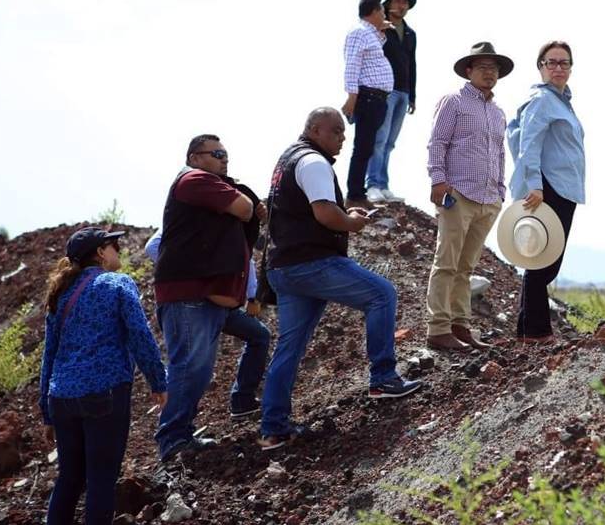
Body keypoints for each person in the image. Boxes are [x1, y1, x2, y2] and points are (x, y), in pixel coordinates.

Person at [260, 107, 421, 450]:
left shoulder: (288, 160)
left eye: (343, 133)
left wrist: (344, 215)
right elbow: (324, 213)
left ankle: (273, 427)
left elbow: (310, 211)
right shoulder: (314, 162)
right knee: (382, 295)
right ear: (316, 130)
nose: (343, 138)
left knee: (289, 347)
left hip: (283, 268)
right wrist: (353, 223)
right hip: (311, 263)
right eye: (336, 132)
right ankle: (383, 378)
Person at [40, 227, 166, 525]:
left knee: (69, 478)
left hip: (62, 396)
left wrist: (45, 412)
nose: (118, 250)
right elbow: (140, 335)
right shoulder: (118, 285)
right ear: (99, 253)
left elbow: (48, 355)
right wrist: (158, 380)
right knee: (100, 478)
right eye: (114, 245)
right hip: (105, 392)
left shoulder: (60, 295)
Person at [153, 135, 258, 461]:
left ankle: (180, 434)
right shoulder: (194, 179)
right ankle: (172, 441)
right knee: (189, 367)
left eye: (225, 153)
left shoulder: (204, 184)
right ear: (195, 158)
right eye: (217, 153)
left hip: (200, 295)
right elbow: (245, 208)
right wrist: (243, 200)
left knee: (197, 369)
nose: (224, 159)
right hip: (187, 294)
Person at [425, 42, 513, 352]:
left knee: (466, 267)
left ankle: (460, 325)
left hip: (488, 199)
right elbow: (437, 143)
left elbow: (500, 153)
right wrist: (438, 181)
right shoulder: (454, 102)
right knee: (447, 262)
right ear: (469, 70)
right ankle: (437, 328)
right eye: (483, 67)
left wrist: (500, 191)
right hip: (458, 194)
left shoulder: (499, 112)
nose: (490, 73)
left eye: (494, 68)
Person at [506, 41, 585, 342]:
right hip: (548, 187)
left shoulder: (562, 102)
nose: (558, 68)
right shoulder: (541, 99)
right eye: (551, 62)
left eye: (564, 63)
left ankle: (527, 330)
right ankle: (537, 332)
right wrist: (535, 186)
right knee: (543, 260)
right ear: (540, 66)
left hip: (564, 188)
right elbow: (529, 145)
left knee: (547, 260)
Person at [144, 229, 269, 419]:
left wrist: (252, 296)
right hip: (192, 303)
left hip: (223, 304)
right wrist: (196, 278)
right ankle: (174, 428)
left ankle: (242, 401)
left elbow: (246, 258)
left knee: (259, 335)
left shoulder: (233, 223)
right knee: (189, 364)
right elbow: (152, 247)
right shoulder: (185, 219)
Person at [366, 0, 418, 204]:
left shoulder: (409, 33)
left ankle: (384, 184)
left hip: (403, 91)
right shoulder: (380, 28)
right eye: (397, 1)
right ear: (388, 4)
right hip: (384, 89)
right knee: (378, 138)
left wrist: (413, 95)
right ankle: (373, 184)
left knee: (390, 142)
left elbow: (412, 63)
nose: (401, 5)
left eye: (405, 2)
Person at [342, 0, 395, 206]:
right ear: (373, 11)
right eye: (381, 10)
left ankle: (358, 193)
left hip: (378, 98)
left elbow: (372, 57)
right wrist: (352, 96)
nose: (384, 14)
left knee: (368, 145)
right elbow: (352, 64)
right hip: (368, 97)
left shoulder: (370, 34)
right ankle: (355, 195)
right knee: (363, 147)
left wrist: (381, 31)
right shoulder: (359, 32)